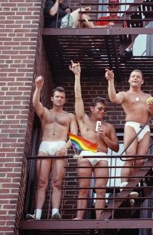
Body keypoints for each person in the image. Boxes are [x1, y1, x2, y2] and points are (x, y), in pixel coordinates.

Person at [69, 61, 119, 219]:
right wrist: (77, 76)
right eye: (100, 108)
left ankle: (99, 218)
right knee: (83, 187)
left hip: (102, 156)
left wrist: (104, 137)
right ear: (92, 109)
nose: (102, 111)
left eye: (105, 109)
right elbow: (78, 98)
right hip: (86, 154)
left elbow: (117, 147)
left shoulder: (109, 126)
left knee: (101, 189)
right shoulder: (83, 120)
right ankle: (79, 217)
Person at [26, 76, 78, 220]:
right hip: (45, 144)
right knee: (42, 181)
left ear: (65, 100)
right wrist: (38, 87)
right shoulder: (45, 112)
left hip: (61, 144)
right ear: (52, 98)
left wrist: (67, 146)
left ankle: (55, 211)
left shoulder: (69, 116)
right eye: (57, 96)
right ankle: (37, 214)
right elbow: (35, 103)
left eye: (62, 97)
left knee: (57, 182)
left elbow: (74, 135)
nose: (59, 99)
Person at [105, 68, 153, 197]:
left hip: (145, 128)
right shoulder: (125, 94)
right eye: (132, 76)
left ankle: (133, 186)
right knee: (130, 155)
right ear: (129, 80)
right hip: (131, 126)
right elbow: (113, 98)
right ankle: (123, 184)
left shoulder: (148, 97)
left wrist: (152, 108)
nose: (135, 78)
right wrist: (110, 80)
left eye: (138, 77)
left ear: (142, 81)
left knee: (139, 161)